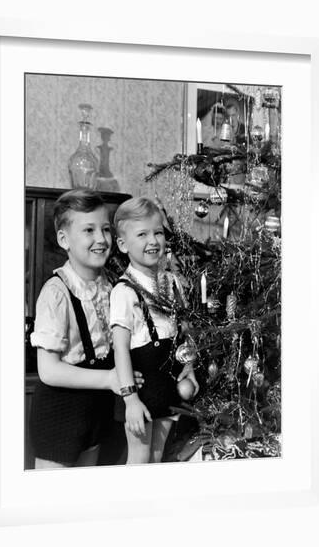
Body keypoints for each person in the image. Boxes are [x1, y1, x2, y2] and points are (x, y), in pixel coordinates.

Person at [29, 188, 142, 469]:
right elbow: (49, 370)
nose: (101, 239)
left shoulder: (112, 287)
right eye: (89, 230)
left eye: (105, 229)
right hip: (60, 413)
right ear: (64, 239)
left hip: (96, 411)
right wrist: (109, 380)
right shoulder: (56, 292)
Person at [110, 197, 199, 464]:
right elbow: (121, 350)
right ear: (123, 244)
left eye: (158, 232)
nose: (153, 241)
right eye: (142, 234)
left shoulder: (172, 283)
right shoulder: (124, 292)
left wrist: (190, 365)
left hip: (168, 384)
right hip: (141, 388)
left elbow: (186, 331)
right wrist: (130, 400)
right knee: (139, 458)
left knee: (158, 457)